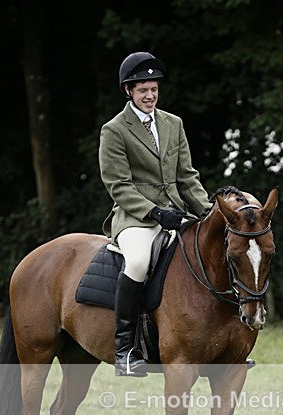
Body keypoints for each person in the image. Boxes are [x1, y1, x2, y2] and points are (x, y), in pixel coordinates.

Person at [99, 51, 213, 376]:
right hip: (135, 217)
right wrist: (155, 213)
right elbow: (118, 185)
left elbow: (187, 176)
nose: (149, 96)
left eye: (153, 89)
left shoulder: (172, 123)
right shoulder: (115, 130)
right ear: (128, 91)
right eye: (142, 90)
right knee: (137, 262)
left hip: (176, 211)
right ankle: (125, 350)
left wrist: (205, 212)